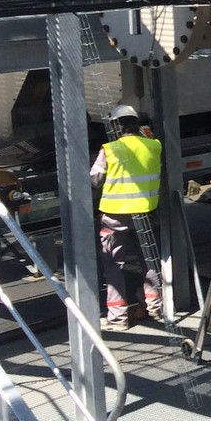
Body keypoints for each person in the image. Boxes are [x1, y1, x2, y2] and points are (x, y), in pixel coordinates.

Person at [90, 104, 163, 328]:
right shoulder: (154, 145)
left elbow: (95, 180)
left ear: (115, 126)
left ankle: (118, 317)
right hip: (145, 212)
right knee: (149, 261)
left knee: (113, 265)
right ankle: (156, 309)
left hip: (115, 215)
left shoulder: (110, 149)